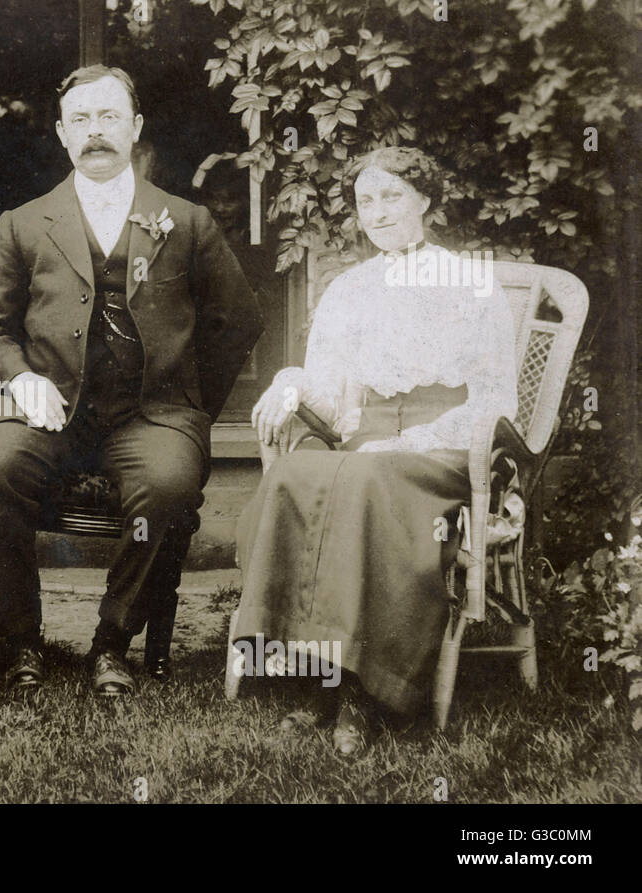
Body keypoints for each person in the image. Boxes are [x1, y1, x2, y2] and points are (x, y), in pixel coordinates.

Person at [0, 65, 263, 697]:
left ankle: (112, 643)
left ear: (136, 128)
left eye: (108, 118)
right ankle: (21, 642)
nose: (95, 132)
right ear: (62, 135)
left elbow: (237, 320)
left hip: (152, 413)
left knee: (169, 484)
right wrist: (20, 379)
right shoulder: (24, 223)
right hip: (48, 412)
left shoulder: (187, 220)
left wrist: (189, 400)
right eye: (80, 121)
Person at [235, 146, 518, 755]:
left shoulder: (472, 284)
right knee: (297, 475)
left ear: (425, 201)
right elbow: (333, 393)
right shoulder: (350, 289)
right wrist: (291, 383)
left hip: (443, 445)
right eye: (367, 201)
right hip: (365, 441)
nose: (380, 213)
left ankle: (364, 694)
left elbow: (496, 399)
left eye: (393, 197)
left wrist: (411, 437)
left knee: (365, 482)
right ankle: (317, 676)